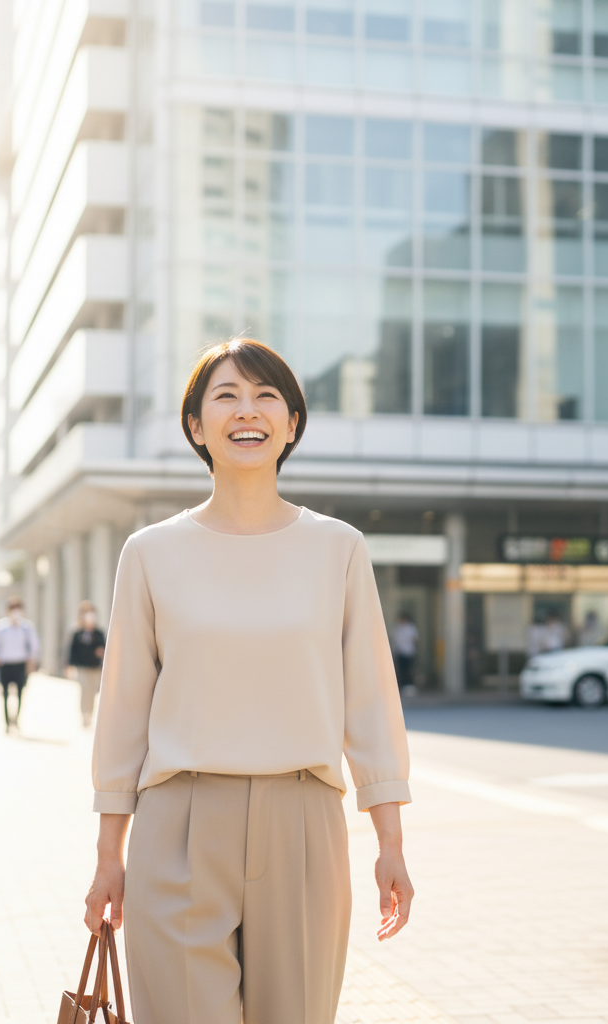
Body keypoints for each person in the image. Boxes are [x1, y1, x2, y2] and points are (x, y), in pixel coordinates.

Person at [85, 338, 413, 1024]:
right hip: (177, 823)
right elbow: (122, 714)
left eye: (267, 396)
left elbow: (371, 704)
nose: (248, 411)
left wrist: (390, 845)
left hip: (303, 821)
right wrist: (108, 855)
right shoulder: (149, 554)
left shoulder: (339, 548)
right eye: (225, 396)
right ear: (195, 426)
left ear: (292, 423)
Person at [0, 597, 40, 732]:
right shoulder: (0, 627)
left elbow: (33, 646)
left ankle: (16, 719)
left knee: (20, 693)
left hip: (20, 663)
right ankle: (6, 722)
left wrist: (31, 663)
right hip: (5, 663)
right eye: (13, 609)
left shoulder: (27, 627)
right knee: (4, 694)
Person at [68, 600, 105, 726]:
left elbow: (104, 647)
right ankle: (84, 715)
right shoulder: (77, 632)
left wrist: (101, 652)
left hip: (95, 667)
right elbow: (72, 650)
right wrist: (69, 665)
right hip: (82, 667)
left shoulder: (98, 633)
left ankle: (91, 713)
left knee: (93, 691)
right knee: (84, 690)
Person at [391, 612, 419, 693]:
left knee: (409, 670)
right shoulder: (398, 628)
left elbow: (415, 639)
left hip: (409, 651)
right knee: (401, 670)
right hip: (400, 652)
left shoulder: (410, 628)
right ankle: (403, 686)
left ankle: (409, 686)